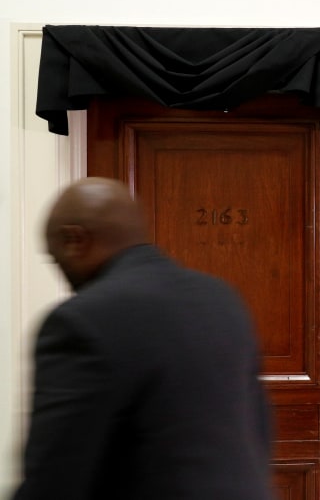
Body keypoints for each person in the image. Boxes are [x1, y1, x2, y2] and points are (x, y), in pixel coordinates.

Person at [13, 177, 274, 500]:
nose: (61, 272)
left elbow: (55, 477)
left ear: (75, 240)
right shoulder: (221, 299)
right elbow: (259, 433)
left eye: (56, 259)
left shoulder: (81, 322)